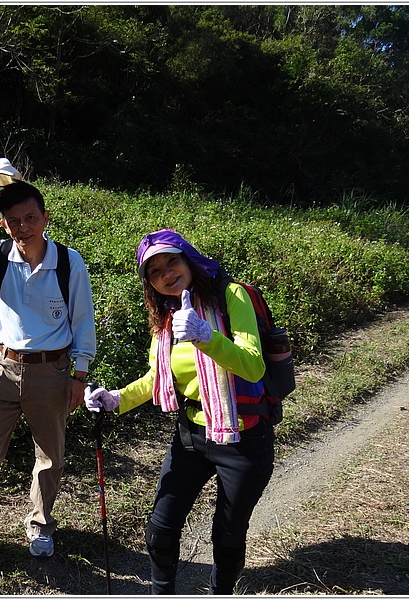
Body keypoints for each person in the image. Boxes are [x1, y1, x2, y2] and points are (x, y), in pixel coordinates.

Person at [85, 229, 275, 595]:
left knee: (228, 531)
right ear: (150, 283)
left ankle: (222, 591)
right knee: (161, 526)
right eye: (155, 271)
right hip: (191, 435)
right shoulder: (169, 319)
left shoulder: (232, 296)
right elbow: (156, 378)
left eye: (172, 260)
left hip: (244, 437)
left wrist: (206, 335)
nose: (167, 273)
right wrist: (115, 398)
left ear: (189, 258)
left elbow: (253, 368)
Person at [0, 158, 96, 563]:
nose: (24, 226)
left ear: (45, 217)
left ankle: (41, 525)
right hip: (2, 368)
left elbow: (83, 320)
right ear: (3, 225)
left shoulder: (68, 262)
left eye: (31, 217)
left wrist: (80, 374)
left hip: (53, 369)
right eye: (14, 220)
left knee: (50, 456)